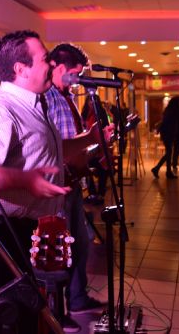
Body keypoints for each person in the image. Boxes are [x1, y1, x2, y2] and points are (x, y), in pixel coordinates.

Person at [0, 31, 106, 334]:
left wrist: (91, 139)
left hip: (20, 227)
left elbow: (52, 150)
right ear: (20, 69)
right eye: (44, 58)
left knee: (24, 313)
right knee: (8, 316)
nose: (52, 62)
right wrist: (27, 180)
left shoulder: (34, 106)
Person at [45, 43, 110, 330]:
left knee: (81, 245)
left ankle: (78, 298)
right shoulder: (45, 97)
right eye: (73, 74)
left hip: (71, 183)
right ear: (57, 68)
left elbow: (74, 141)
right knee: (57, 252)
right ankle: (55, 311)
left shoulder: (67, 97)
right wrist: (89, 138)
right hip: (54, 186)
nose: (77, 80)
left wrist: (95, 139)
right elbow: (55, 145)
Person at [150, 96, 179, 179]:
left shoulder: (168, 111)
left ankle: (168, 172)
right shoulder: (172, 112)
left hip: (166, 134)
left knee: (169, 152)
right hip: (168, 134)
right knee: (169, 153)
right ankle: (157, 168)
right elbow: (170, 124)